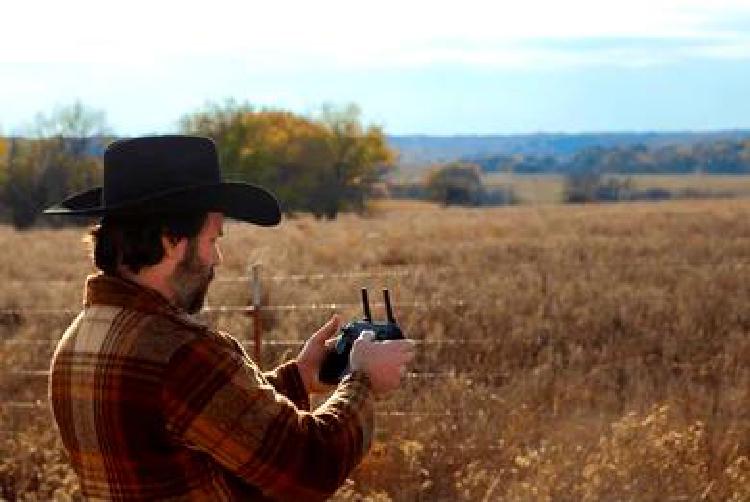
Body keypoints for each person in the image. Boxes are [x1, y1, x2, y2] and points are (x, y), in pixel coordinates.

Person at [45, 135, 415, 501]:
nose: (217, 258)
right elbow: (311, 466)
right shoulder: (180, 354)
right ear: (171, 241)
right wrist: (362, 378)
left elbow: (197, 424)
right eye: (212, 240)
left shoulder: (75, 342)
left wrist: (298, 378)